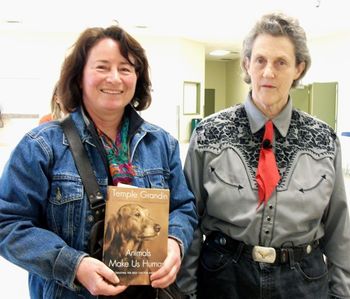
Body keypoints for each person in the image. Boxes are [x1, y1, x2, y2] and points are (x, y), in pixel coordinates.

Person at [0, 25, 197, 299]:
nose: (115, 78)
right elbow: (7, 222)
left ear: (137, 79)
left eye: (126, 69)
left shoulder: (162, 144)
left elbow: (183, 207)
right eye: (102, 67)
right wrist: (73, 265)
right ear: (79, 77)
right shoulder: (41, 147)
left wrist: (175, 242)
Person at [176, 12, 350, 299]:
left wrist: (342, 294)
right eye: (260, 60)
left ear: (299, 68)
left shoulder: (325, 140)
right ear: (247, 64)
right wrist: (185, 292)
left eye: (281, 62)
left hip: (303, 282)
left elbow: (339, 229)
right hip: (223, 277)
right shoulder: (208, 133)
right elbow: (189, 219)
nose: (269, 72)